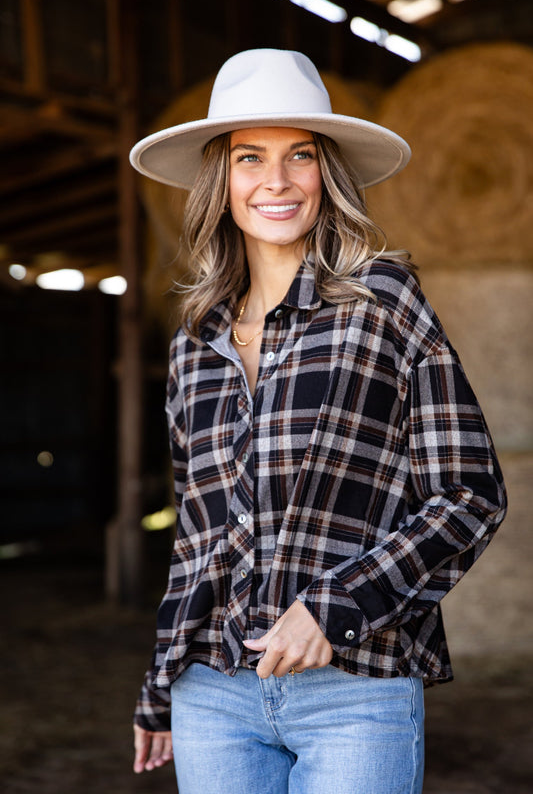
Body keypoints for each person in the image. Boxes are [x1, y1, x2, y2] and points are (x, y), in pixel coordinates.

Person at [129, 49, 506, 794]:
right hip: (211, 694)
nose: (276, 180)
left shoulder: (382, 302)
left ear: (326, 175)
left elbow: (469, 495)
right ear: (220, 181)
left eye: (299, 155)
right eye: (249, 158)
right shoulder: (193, 342)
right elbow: (196, 538)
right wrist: (160, 682)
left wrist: (334, 608)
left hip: (352, 692)